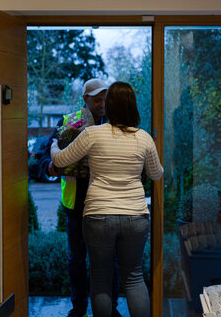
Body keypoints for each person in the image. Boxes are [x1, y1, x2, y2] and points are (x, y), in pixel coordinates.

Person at [51, 81, 164, 317]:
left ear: (110, 106)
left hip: (98, 215)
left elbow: (60, 160)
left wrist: (53, 145)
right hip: (135, 216)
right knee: (134, 278)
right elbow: (157, 174)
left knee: (101, 281)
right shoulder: (143, 138)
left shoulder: (93, 134)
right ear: (133, 107)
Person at [48, 78, 122, 317]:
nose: (102, 104)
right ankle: (78, 307)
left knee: (109, 260)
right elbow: (45, 155)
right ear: (85, 100)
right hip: (76, 205)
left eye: (105, 99)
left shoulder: (118, 124)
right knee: (76, 261)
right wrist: (50, 166)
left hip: (106, 203)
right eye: (97, 100)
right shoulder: (68, 122)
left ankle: (111, 308)